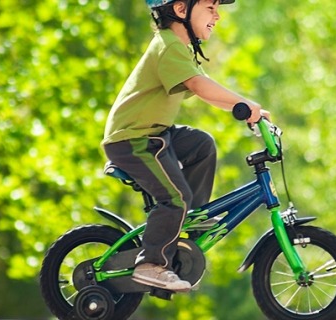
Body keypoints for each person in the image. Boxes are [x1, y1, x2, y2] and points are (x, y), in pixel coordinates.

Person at [101, 0, 267, 292]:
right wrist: (247, 104)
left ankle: (191, 220)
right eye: (210, 7)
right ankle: (150, 263)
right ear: (181, 9)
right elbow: (201, 88)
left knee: (201, 145)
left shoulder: (179, 48)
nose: (217, 15)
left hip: (154, 134)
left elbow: (208, 94)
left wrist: (243, 110)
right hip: (133, 140)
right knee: (175, 197)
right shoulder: (168, 46)